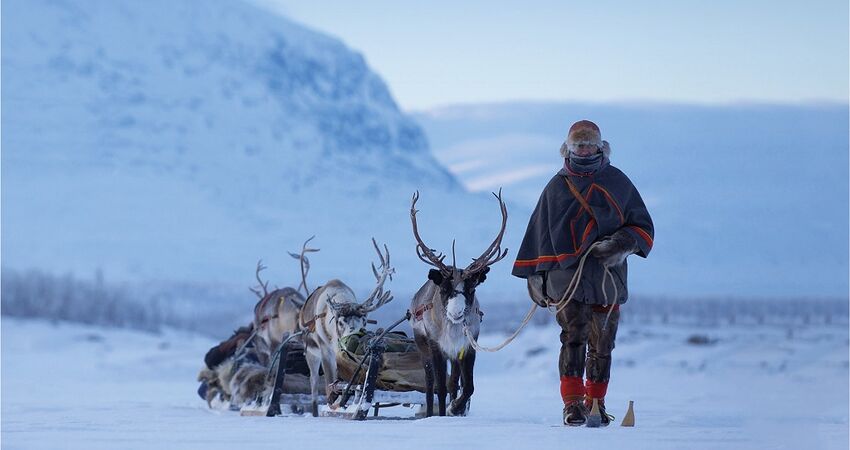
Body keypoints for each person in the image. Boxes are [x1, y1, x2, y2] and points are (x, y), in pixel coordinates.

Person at [512, 120, 654, 426]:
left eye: (590, 145)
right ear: (568, 148)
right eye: (579, 145)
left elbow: (641, 226)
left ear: (601, 147)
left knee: (603, 341)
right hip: (567, 279)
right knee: (572, 337)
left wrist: (619, 244)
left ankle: (596, 402)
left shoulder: (618, 182)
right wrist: (537, 278)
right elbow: (539, 236)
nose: (585, 149)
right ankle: (573, 404)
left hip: (606, 278)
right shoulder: (556, 187)